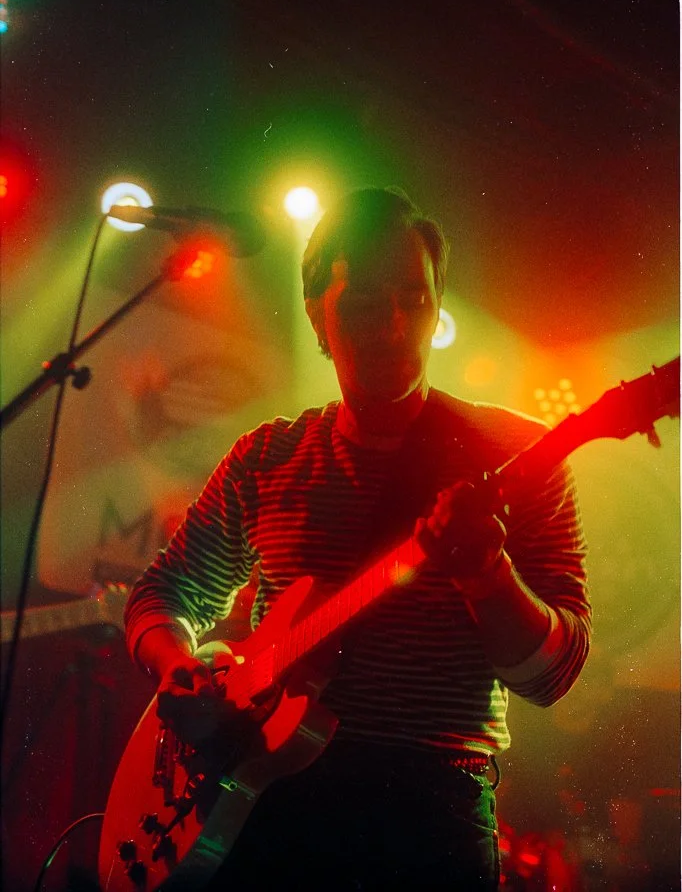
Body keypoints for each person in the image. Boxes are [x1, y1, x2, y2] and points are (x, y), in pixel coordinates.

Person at [124, 186, 591, 891]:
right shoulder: (268, 456)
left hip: (429, 813)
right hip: (264, 807)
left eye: (415, 298)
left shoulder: (516, 456)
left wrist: (487, 574)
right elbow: (162, 592)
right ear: (317, 314)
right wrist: (175, 667)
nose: (395, 323)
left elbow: (552, 677)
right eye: (367, 301)